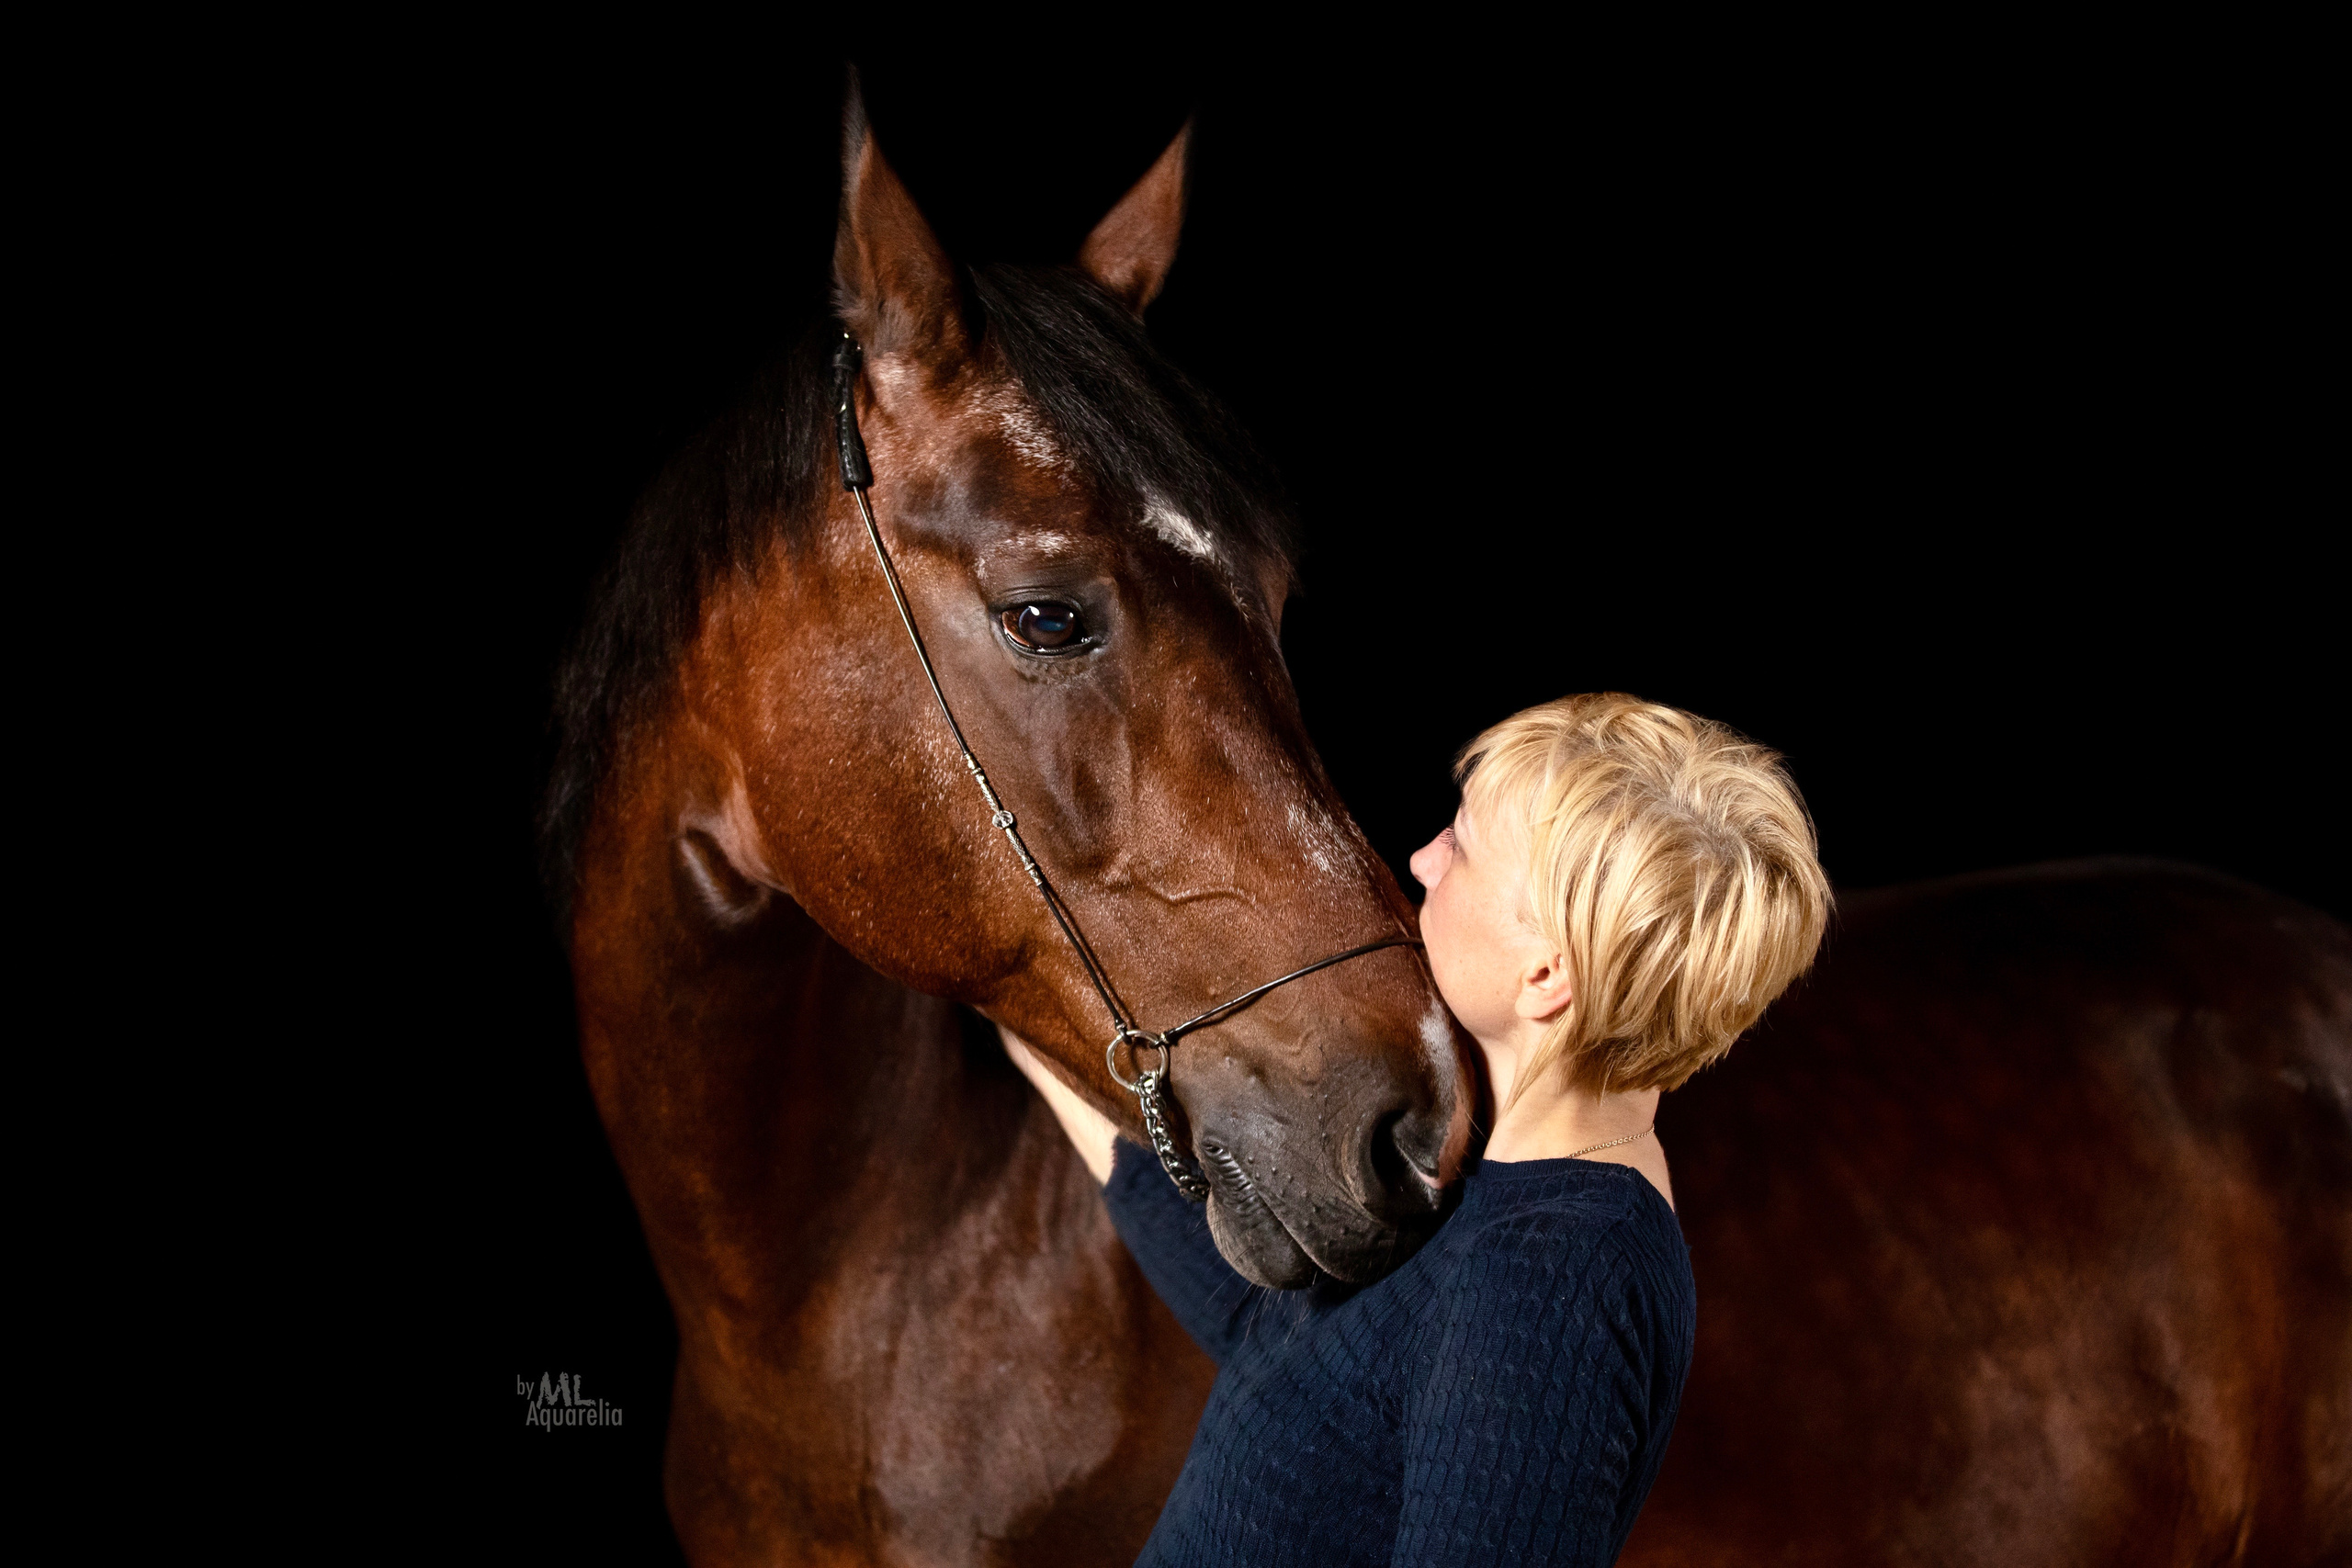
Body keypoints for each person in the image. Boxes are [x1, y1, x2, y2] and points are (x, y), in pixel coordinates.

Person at [1005, 693, 1832, 1564]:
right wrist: (1037, 1026)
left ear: (1546, 972)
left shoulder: (1554, 1283)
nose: (1424, 858)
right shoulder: (1502, 1171)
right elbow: (1295, 1354)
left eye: (1464, 847)